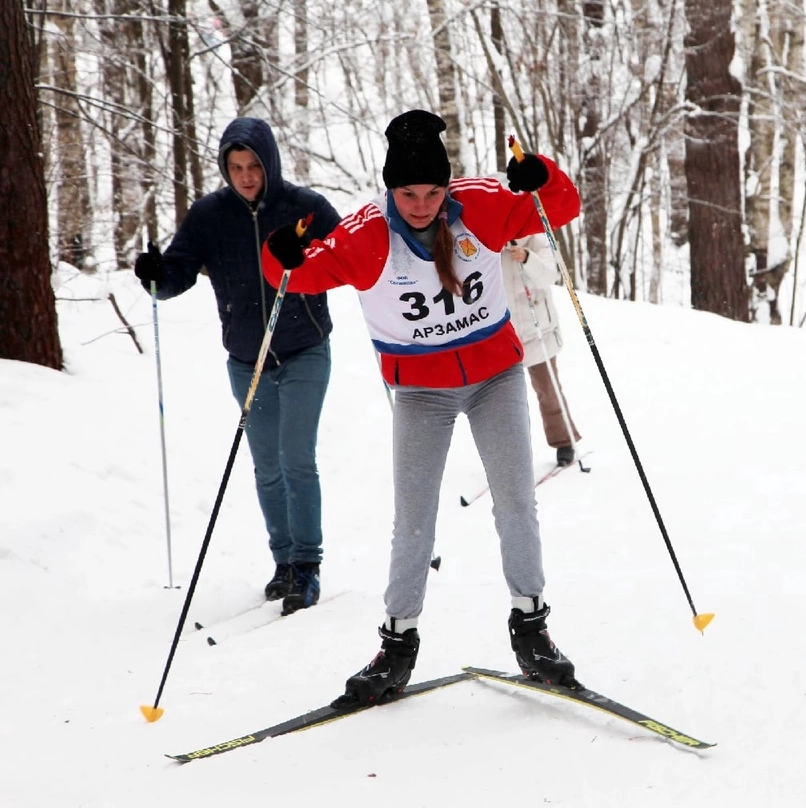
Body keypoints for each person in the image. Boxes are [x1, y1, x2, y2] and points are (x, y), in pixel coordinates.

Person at [261, 110, 583, 706]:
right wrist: (279, 252)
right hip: (421, 393)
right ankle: (397, 645)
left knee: (516, 501)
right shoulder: (364, 236)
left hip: (495, 377)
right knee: (413, 518)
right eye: (408, 193)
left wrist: (541, 174)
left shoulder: (481, 204)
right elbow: (293, 277)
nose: (421, 204)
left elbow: (558, 206)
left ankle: (532, 629)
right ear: (391, 188)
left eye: (433, 191)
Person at [133, 118, 341, 616]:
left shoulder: (305, 208)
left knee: (296, 456)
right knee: (267, 466)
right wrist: (158, 275)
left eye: (253, 166)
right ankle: (284, 561)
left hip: (304, 347)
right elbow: (179, 271)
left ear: (268, 163)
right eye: (235, 167)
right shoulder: (209, 215)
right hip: (246, 359)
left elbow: (348, 254)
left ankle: (307, 565)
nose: (246, 176)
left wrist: (310, 256)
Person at [500, 231, 582, 466]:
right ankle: (508, 454)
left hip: (538, 330)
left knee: (548, 390)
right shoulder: (491, 236)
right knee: (504, 400)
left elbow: (551, 274)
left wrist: (527, 258)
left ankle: (564, 441)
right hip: (505, 331)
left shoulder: (537, 236)